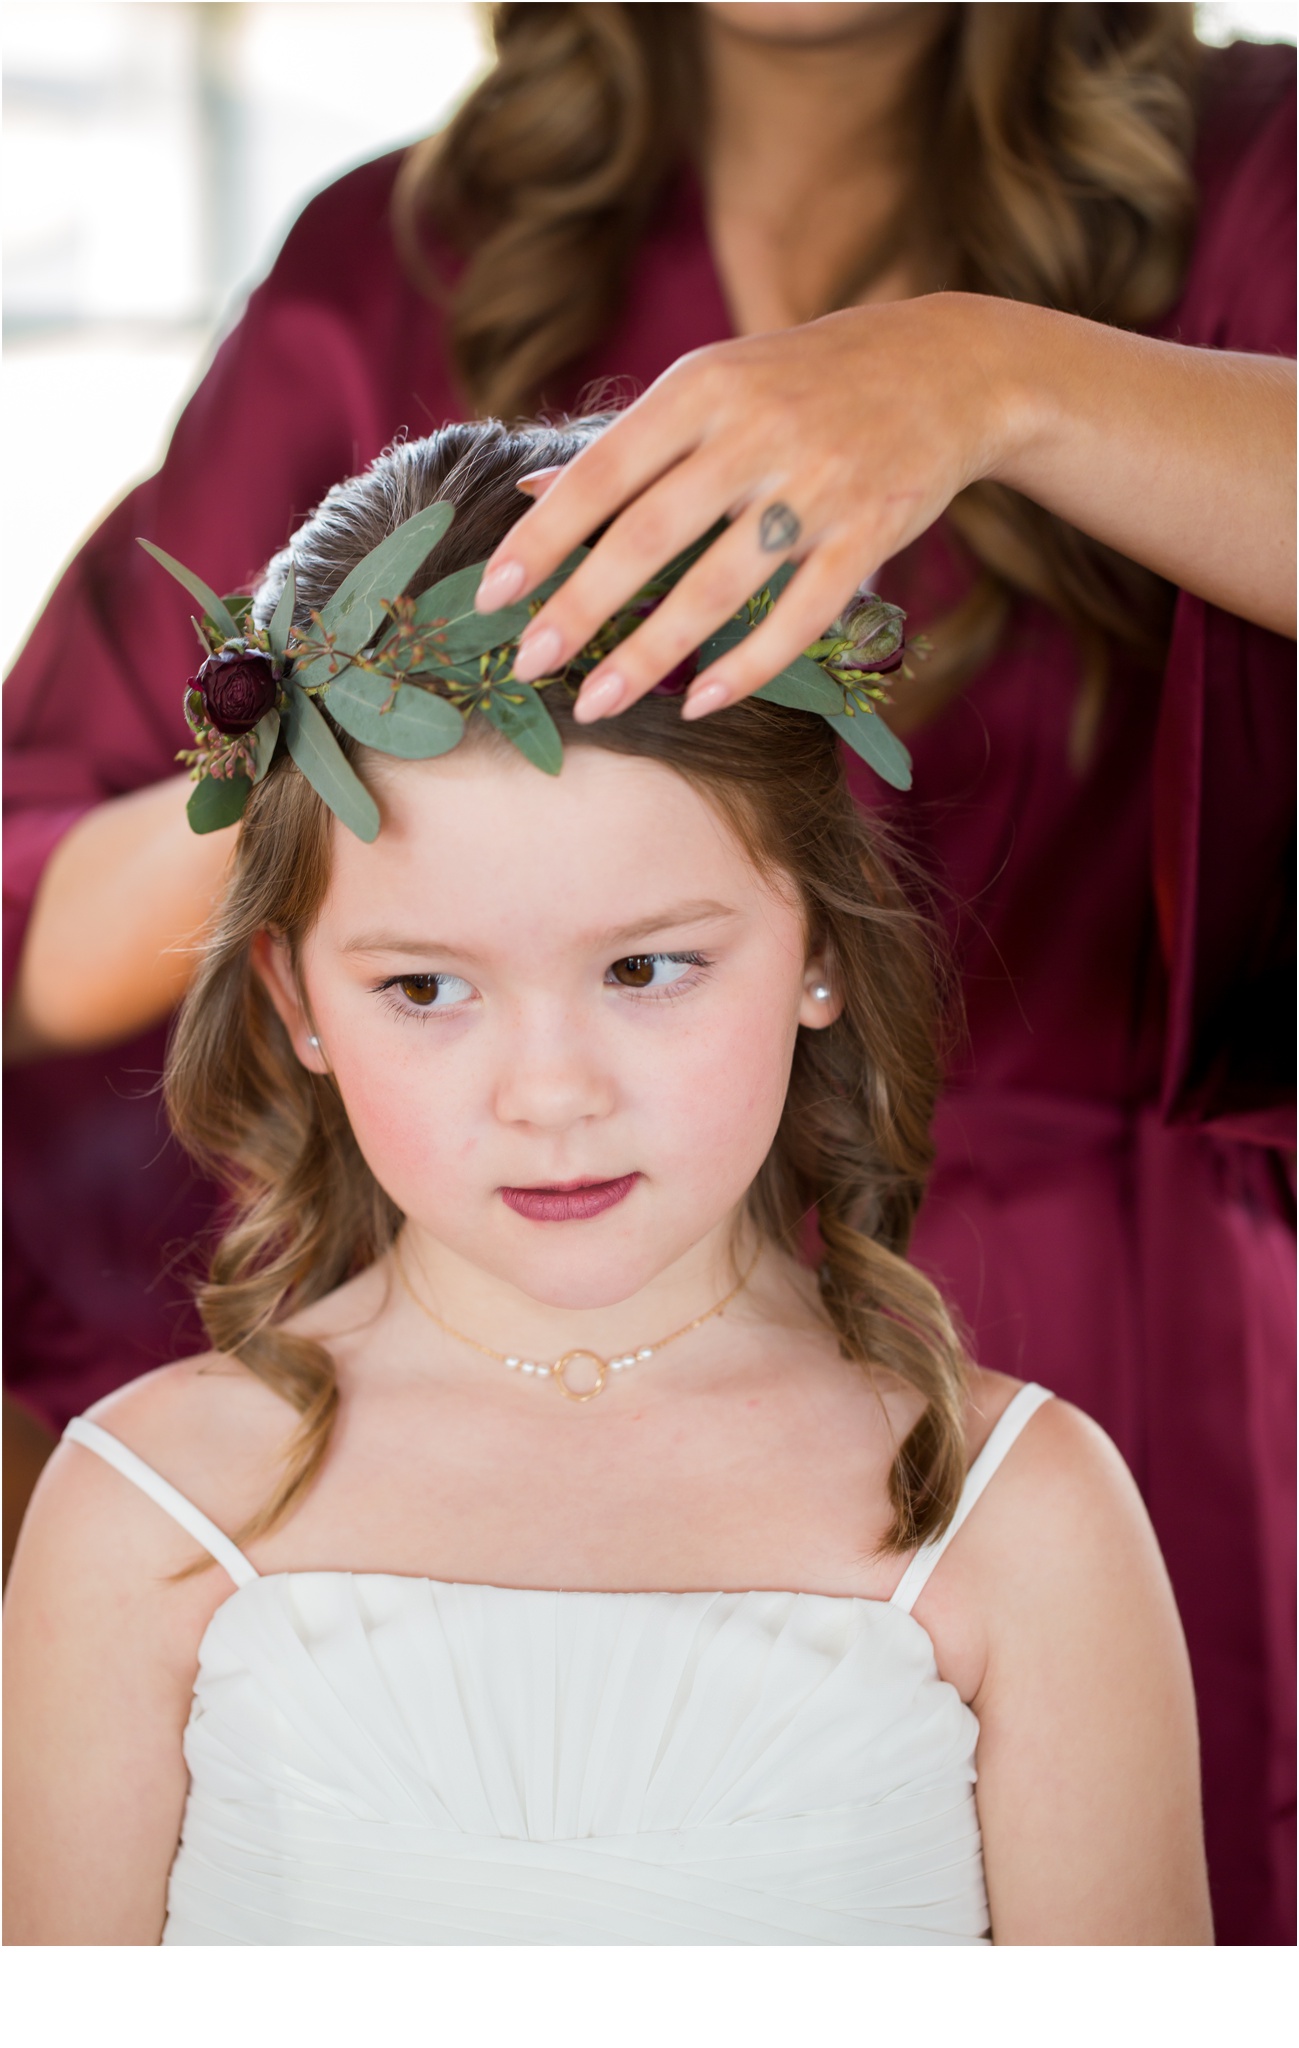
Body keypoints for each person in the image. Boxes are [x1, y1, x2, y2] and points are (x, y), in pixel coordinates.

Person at [1, 4, 1291, 1941]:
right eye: (419, 991)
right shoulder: (399, 257)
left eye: (652, 963)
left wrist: (1004, 385)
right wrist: (363, 803)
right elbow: (49, 869)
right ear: (297, 997)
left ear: (817, 948)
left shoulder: (1257, 177)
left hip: (1149, 1335)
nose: (552, 1083)